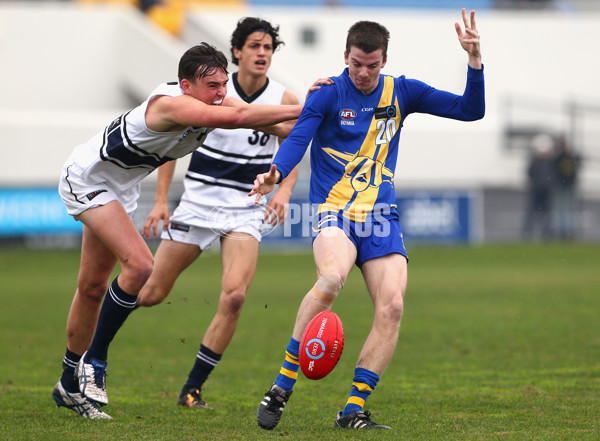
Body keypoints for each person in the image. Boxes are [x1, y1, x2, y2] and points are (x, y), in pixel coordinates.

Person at [250, 9, 485, 430]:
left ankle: (353, 409)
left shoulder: (403, 92)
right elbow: (299, 137)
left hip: (381, 218)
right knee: (331, 278)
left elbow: (470, 111)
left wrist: (474, 61)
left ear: (384, 61)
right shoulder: (326, 94)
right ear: (345, 56)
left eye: (371, 65)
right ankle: (283, 384)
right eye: (355, 63)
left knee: (392, 307)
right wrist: (277, 173)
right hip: (333, 212)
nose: (361, 72)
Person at [52, 42, 306, 420]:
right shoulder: (170, 103)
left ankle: (69, 385)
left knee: (92, 287)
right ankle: (95, 362)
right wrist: (312, 107)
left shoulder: (213, 102)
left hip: (120, 189)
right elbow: (241, 118)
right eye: (212, 86)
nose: (221, 93)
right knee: (140, 267)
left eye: (224, 84)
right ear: (187, 85)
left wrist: (327, 122)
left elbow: (273, 124)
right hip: (88, 178)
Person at [135, 17, 300, 410]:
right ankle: (94, 338)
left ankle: (192, 390)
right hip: (197, 204)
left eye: (269, 47)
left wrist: (285, 191)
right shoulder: (211, 92)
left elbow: (297, 141)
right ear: (237, 52)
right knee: (151, 292)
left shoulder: (285, 99)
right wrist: (161, 201)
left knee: (236, 297)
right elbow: (170, 144)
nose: (263, 53)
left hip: (245, 209)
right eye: (255, 46)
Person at [522, 133, 555, 240]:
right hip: (537, 189)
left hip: (546, 190)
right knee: (533, 212)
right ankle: (528, 233)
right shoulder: (536, 160)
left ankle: (546, 234)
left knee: (546, 213)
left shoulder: (549, 161)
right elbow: (530, 173)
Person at [552, 134, 581, 240]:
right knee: (562, 209)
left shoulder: (566, 157)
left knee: (565, 209)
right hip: (562, 186)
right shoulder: (561, 157)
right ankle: (562, 232)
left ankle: (566, 232)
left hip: (567, 186)